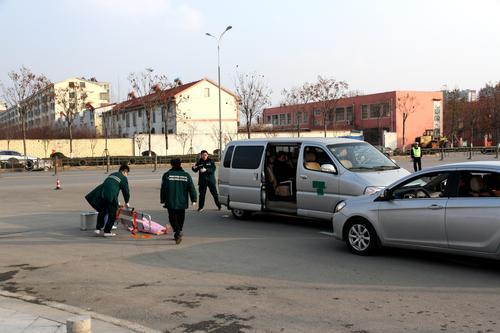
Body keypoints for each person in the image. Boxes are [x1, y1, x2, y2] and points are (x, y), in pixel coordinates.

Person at [85, 164, 130, 237]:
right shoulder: (123, 178)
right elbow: (126, 192)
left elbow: (112, 187)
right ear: (125, 171)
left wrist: (117, 202)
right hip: (110, 195)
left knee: (102, 211)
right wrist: (127, 201)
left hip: (101, 194)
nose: (127, 175)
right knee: (112, 214)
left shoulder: (112, 174)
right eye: (127, 173)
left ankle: (98, 229)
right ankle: (107, 231)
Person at [161, 158, 197, 244]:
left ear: (171, 164)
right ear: (180, 164)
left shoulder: (167, 175)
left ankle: (177, 232)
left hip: (170, 200)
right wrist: (194, 199)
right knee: (181, 216)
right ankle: (179, 231)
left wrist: (163, 199)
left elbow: (163, 188)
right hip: (182, 200)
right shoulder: (186, 175)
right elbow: (191, 188)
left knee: (172, 217)